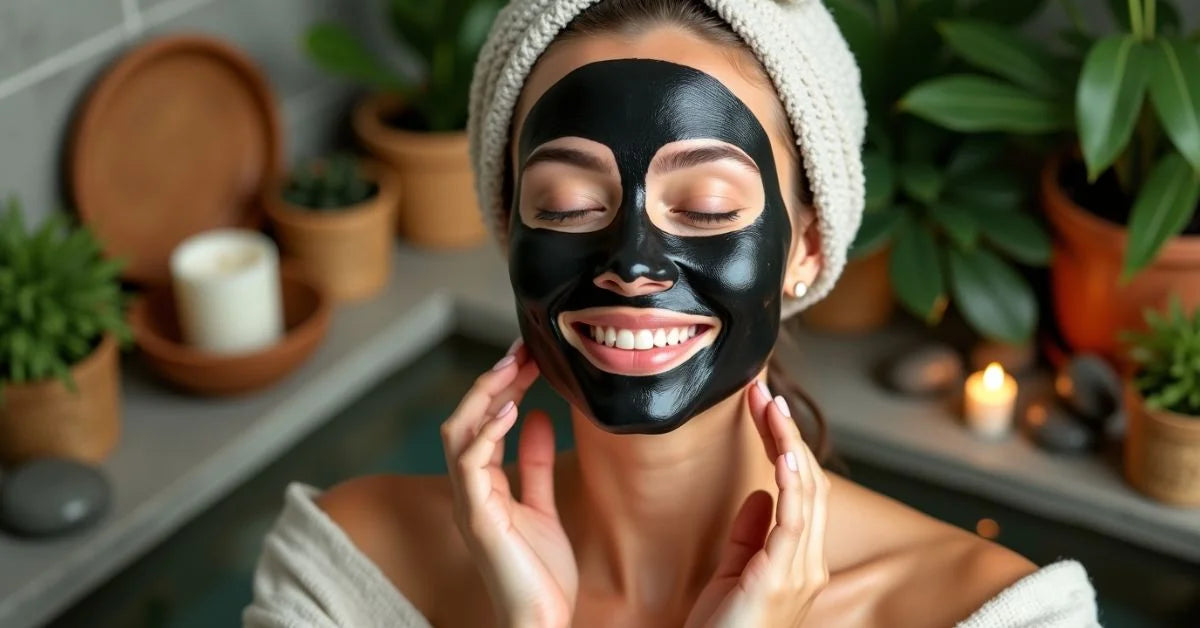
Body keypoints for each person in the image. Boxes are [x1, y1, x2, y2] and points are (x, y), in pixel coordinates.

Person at [244, 1, 1099, 626]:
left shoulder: (1006, 618)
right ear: (510, 232)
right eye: (571, 203)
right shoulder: (347, 576)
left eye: (709, 206)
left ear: (807, 243)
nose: (633, 267)